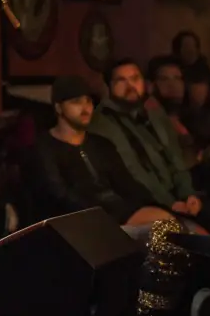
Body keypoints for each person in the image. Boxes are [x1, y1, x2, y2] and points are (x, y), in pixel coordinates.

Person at [26, 76, 175, 227]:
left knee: (170, 224)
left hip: (119, 215)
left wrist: (156, 206)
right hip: (78, 224)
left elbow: (128, 184)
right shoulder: (44, 148)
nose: (85, 108)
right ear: (59, 108)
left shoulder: (101, 144)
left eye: (88, 101)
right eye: (76, 102)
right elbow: (59, 196)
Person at [90, 58, 210, 233]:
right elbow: (133, 171)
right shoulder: (103, 122)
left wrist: (188, 194)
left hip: (177, 199)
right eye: (121, 80)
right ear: (109, 86)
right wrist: (169, 203)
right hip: (142, 205)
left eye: (135, 78)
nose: (130, 86)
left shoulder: (153, 112)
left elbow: (175, 158)